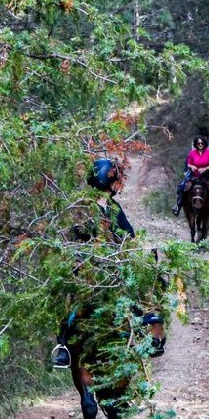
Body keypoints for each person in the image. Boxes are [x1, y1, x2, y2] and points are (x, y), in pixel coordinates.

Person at [52, 157, 137, 369]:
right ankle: (63, 346)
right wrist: (81, 259)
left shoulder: (114, 208)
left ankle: (137, 338)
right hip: (85, 267)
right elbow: (71, 237)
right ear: (108, 183)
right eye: (113, 182)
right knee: (72, 303)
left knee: (131, 297)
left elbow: (129, 236)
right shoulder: (82, 207)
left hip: (111, 267)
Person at [174, 133, 209, 213]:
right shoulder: (193, 151)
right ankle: (178, 205)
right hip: (194, 173)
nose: (200, 144)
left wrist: (205, 168)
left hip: (208, 172)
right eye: (198, 143)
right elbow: (188, 161)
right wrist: (190, 167)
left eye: (202, 142)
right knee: (183, 185)